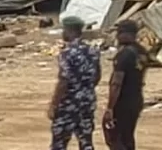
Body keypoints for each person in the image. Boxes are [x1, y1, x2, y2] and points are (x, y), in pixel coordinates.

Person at [48, 15, 101, 150]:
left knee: (59, 143)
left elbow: (63, 81)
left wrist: (54, 105)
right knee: (86, 142)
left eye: (64, 30)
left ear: (70, 31)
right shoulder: (93, 51)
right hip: (87, 102)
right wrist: (85, 89)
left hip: (68, 104)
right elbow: (97, 76)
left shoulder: (67, 53)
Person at [103, 20, 148, 150]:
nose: (117, 36)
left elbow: (116, 83)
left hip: (123, 102)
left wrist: (110, 108)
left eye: (119, 33)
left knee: (114, 137)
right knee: (127, 136)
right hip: (136, 99)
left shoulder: (124, 55)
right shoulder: (142, 52)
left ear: (126, 34)